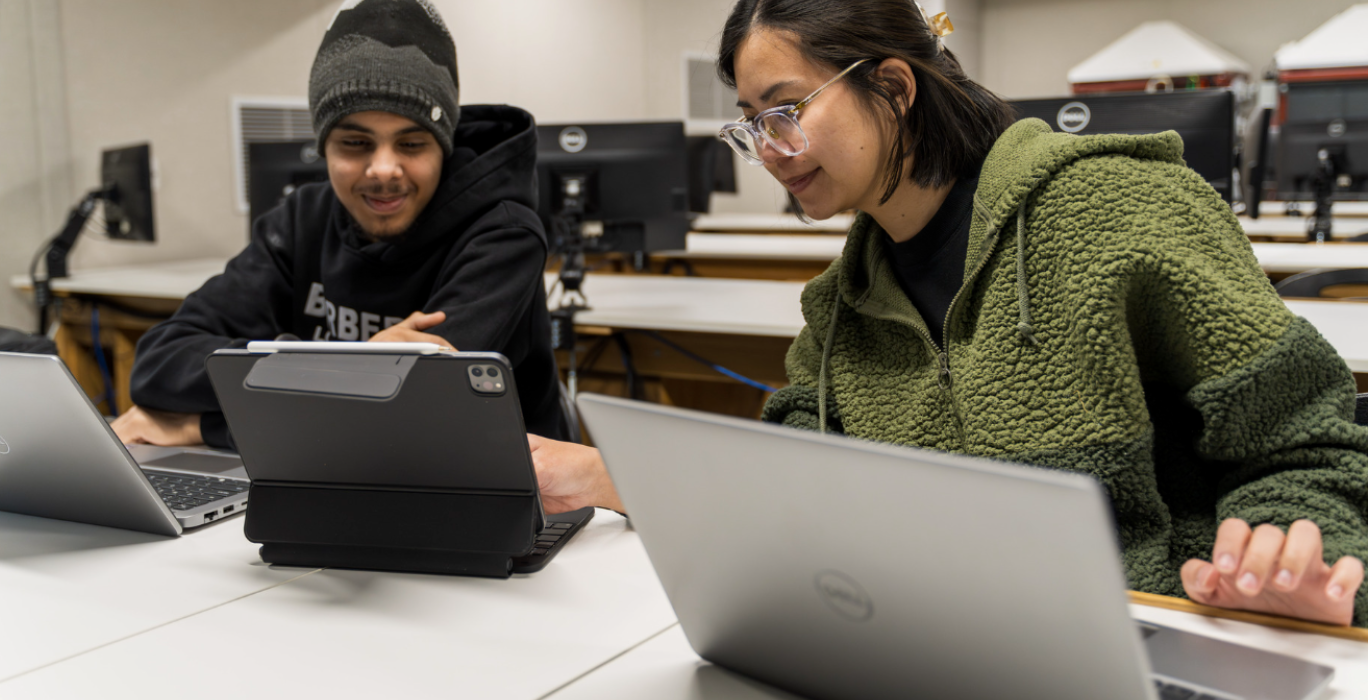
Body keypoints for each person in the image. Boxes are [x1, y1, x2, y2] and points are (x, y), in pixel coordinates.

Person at [529, 0, 1368, 627]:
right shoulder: (843, 304)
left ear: (893, 88)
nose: (770, 151)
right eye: (751, 126)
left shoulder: (1124, 212)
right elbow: (793, 486)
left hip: (1151, 626)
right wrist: (618, 477)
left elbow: (1311, 449)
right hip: (934, 638)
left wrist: (1295, 556)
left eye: (786, 111)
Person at [112, 0, 568, 448]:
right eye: (355, 143)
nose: (384, 170)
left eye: (411, 144)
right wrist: (354, 368)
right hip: (318, 474)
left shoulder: (503, 235)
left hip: (492, 483)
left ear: (442, 149)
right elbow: (160, 362)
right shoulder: (302, 219)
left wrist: (203, 427)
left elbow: (404, 419)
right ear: (323, 148)